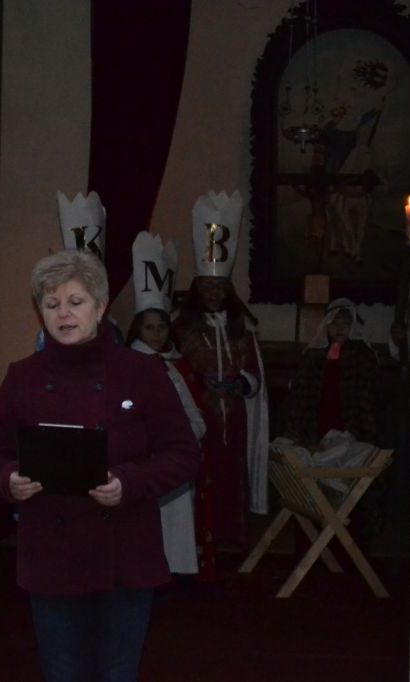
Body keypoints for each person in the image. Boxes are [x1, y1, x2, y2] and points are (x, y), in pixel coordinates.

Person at [0, 249, 201, 681]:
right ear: (40, 312)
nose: (63, 313)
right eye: (52, 303)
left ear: (99, 307)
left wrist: (129, 482)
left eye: (75, 302)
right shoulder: (23, 376)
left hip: (125, 553)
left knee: (117, 673)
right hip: (51, 556)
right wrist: (8, 479)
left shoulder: (142, 372)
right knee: (63, 672)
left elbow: (184, 454)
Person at [170, 190, 270, 563]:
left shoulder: (242, 326)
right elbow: (176, 371)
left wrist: (241, 383)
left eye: (219, 286)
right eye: (208, 286)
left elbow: (255, 373)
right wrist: (200, 384)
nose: (213, 292)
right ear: (198, 287)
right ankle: (201, 539)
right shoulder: (182, 328)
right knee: (204, 473)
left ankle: (233, 536)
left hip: (235, 414)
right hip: (199, 414)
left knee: (232, 474)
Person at [127, 231, 206, 579]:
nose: (157, 334)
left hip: (172, 453)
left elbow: (189, 407)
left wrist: (191, 433)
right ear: (137, 330)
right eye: (149, 328)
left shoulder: (173, 363)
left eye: (161, 327)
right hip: (144, 455)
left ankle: (174, 569)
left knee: (177, 515)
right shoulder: (130, 364)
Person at [276, 297, 379, 447]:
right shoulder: (314, 354)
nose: (340, 328)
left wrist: (365, 429)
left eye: (345, 323)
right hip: (319, 415)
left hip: (350, 417)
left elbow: (367, 394)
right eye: (335, 323)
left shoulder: (362, 355)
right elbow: (301, 392)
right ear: (326, 325)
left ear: (353, 326)